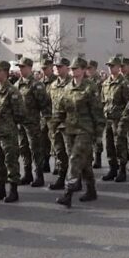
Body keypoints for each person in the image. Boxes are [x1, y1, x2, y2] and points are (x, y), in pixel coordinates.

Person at [53, 57, 105, 207]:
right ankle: (91, 190)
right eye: (71, 69)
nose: (72, 71)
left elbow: (97, 113)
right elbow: (61, 110)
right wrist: (54, 125)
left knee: (75, 159)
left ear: (83, 70)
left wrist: (99, 134)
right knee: (85, 162)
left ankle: (68, 193)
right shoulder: (68, 88)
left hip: (85, 130)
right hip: (70, 130)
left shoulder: (90, 88)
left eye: (75, 68)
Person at [0, 60, 25, 202]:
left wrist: (8, 125)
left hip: (8, 134)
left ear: (6, 72)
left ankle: (13, 191)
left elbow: (20, 114)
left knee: (11, 162)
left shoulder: (12, 91)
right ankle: (0, 189)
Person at [14, 57, 50, 187]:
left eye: (23, 67)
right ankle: (27, 174)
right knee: (23, 149)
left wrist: (43, 121)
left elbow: (45, 104)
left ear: (29, 68)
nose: (21, 69)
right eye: (20, 67)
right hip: (21, 124)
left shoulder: (36, 85)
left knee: (36, 150)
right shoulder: (17, 84)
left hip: (33, 123)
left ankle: (39, 176)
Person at [101, 56, 129, 182]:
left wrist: (125, 119)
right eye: (109, 66)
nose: (110, 68)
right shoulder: (105, 83)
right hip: (108, 119)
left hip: (119, 119)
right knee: (109, 145)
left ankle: (122, 170)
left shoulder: (124, 83)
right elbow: (103, 101)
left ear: (119, 67)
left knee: (119, 144)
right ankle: (112, 168)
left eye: (112, 66)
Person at [47, 58, 71, 190]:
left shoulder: (72, 84)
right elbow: (49, 104)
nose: (57, 68)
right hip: (56, 124)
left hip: (69, 124)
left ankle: (75, 179)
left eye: (60, 66)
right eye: (56, 66)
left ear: (67, 68)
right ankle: (61, 178)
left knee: (71, 154)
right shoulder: (53, 85)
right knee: (59, 153)